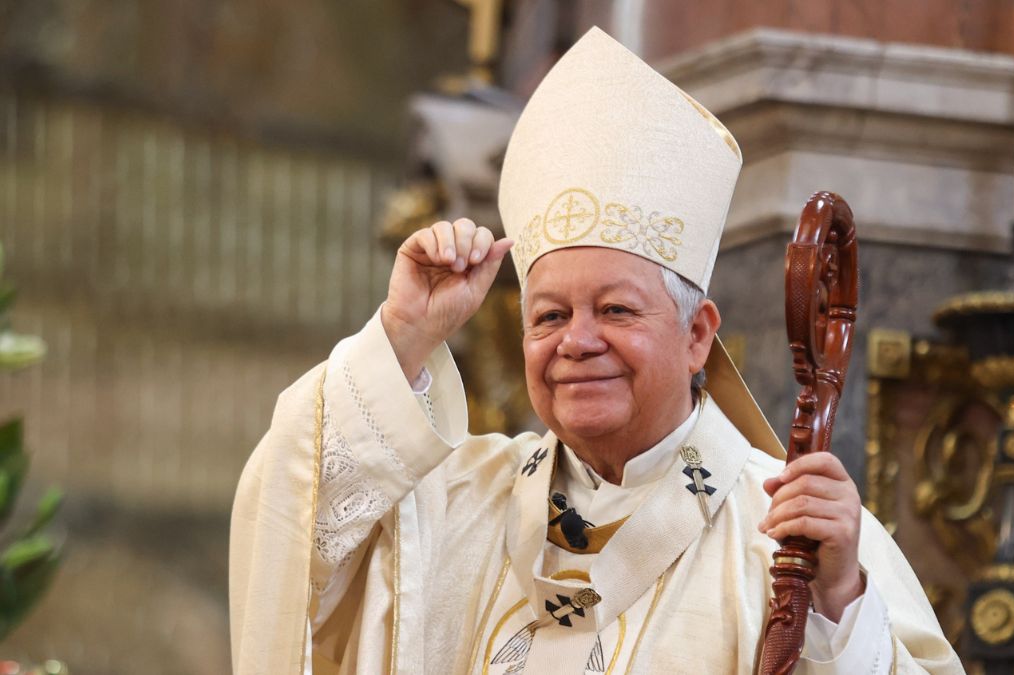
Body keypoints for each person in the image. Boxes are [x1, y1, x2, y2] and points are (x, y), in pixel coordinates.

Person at [229, 27, 964, 675]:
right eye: (550, 315)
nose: (577, 341)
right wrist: (405, 333)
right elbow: (295, 525)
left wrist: (837, 603)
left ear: (698, 334)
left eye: (615, 309)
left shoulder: (787, 532)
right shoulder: (463, 503)